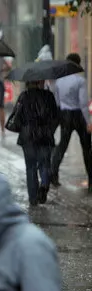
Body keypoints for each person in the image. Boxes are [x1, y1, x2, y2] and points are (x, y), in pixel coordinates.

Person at [11, 81, 59, 205]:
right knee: (45, 164)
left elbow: (17, 117)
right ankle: (44, 184)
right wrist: (50, 130)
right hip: (45, 135)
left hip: (28, 137)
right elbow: (56, 116)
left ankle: (33, 198)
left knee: (31, 167)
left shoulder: (24, 96)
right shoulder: (49, 96)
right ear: (40, 82)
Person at [50, 53, 92, 192]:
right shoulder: (80, 81)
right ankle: (91, 178)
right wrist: (88, 121)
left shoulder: (59, 81)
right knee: (87, 147)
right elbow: (83, 104)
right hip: (78, 115)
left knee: (62, 145)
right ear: (78, 64)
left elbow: (56, 101)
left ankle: (53, 174)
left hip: (65, 115)